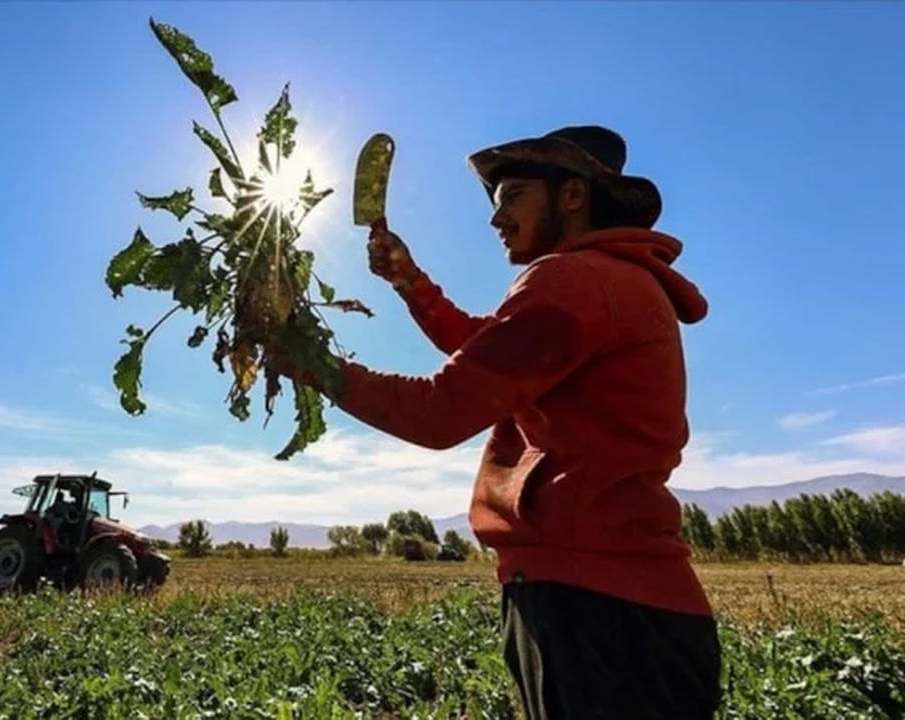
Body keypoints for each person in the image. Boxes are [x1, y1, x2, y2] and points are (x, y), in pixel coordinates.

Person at [275, 126, 721, 719]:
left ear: (572, 196)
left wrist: (308, 363)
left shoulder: (574, 280)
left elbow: (442, 411)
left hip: (599, 613)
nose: (495, 219)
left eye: (512, 196)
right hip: (621, 605)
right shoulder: (614, 282)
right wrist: (411, 283)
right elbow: (491, 352)